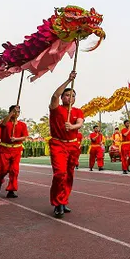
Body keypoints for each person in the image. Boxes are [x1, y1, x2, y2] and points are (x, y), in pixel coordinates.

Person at [49, 71, 85, 218]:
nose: (70, 98)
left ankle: (63, 201)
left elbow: (80, 123)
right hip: (58, 144)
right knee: (60, 174)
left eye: (73, 95)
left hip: (72, 146)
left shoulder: (78, 111)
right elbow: (54, 96)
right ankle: (57, 203)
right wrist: (68, 80)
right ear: (63, 97)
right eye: (67, 95)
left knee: (69, 175)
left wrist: (73, 127)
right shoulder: (56, 109)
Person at [0, 105, 29, 198]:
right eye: (14, 111)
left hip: (16, 150)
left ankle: (11, 190)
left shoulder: (22, 125)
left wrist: (16, 139)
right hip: (5, 149)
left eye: (18, 111)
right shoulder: (5, 122)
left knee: (14, 171)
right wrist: (11, 113)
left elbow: (25, 137)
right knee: (2, 170)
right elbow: (2, 124)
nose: (17, 113)